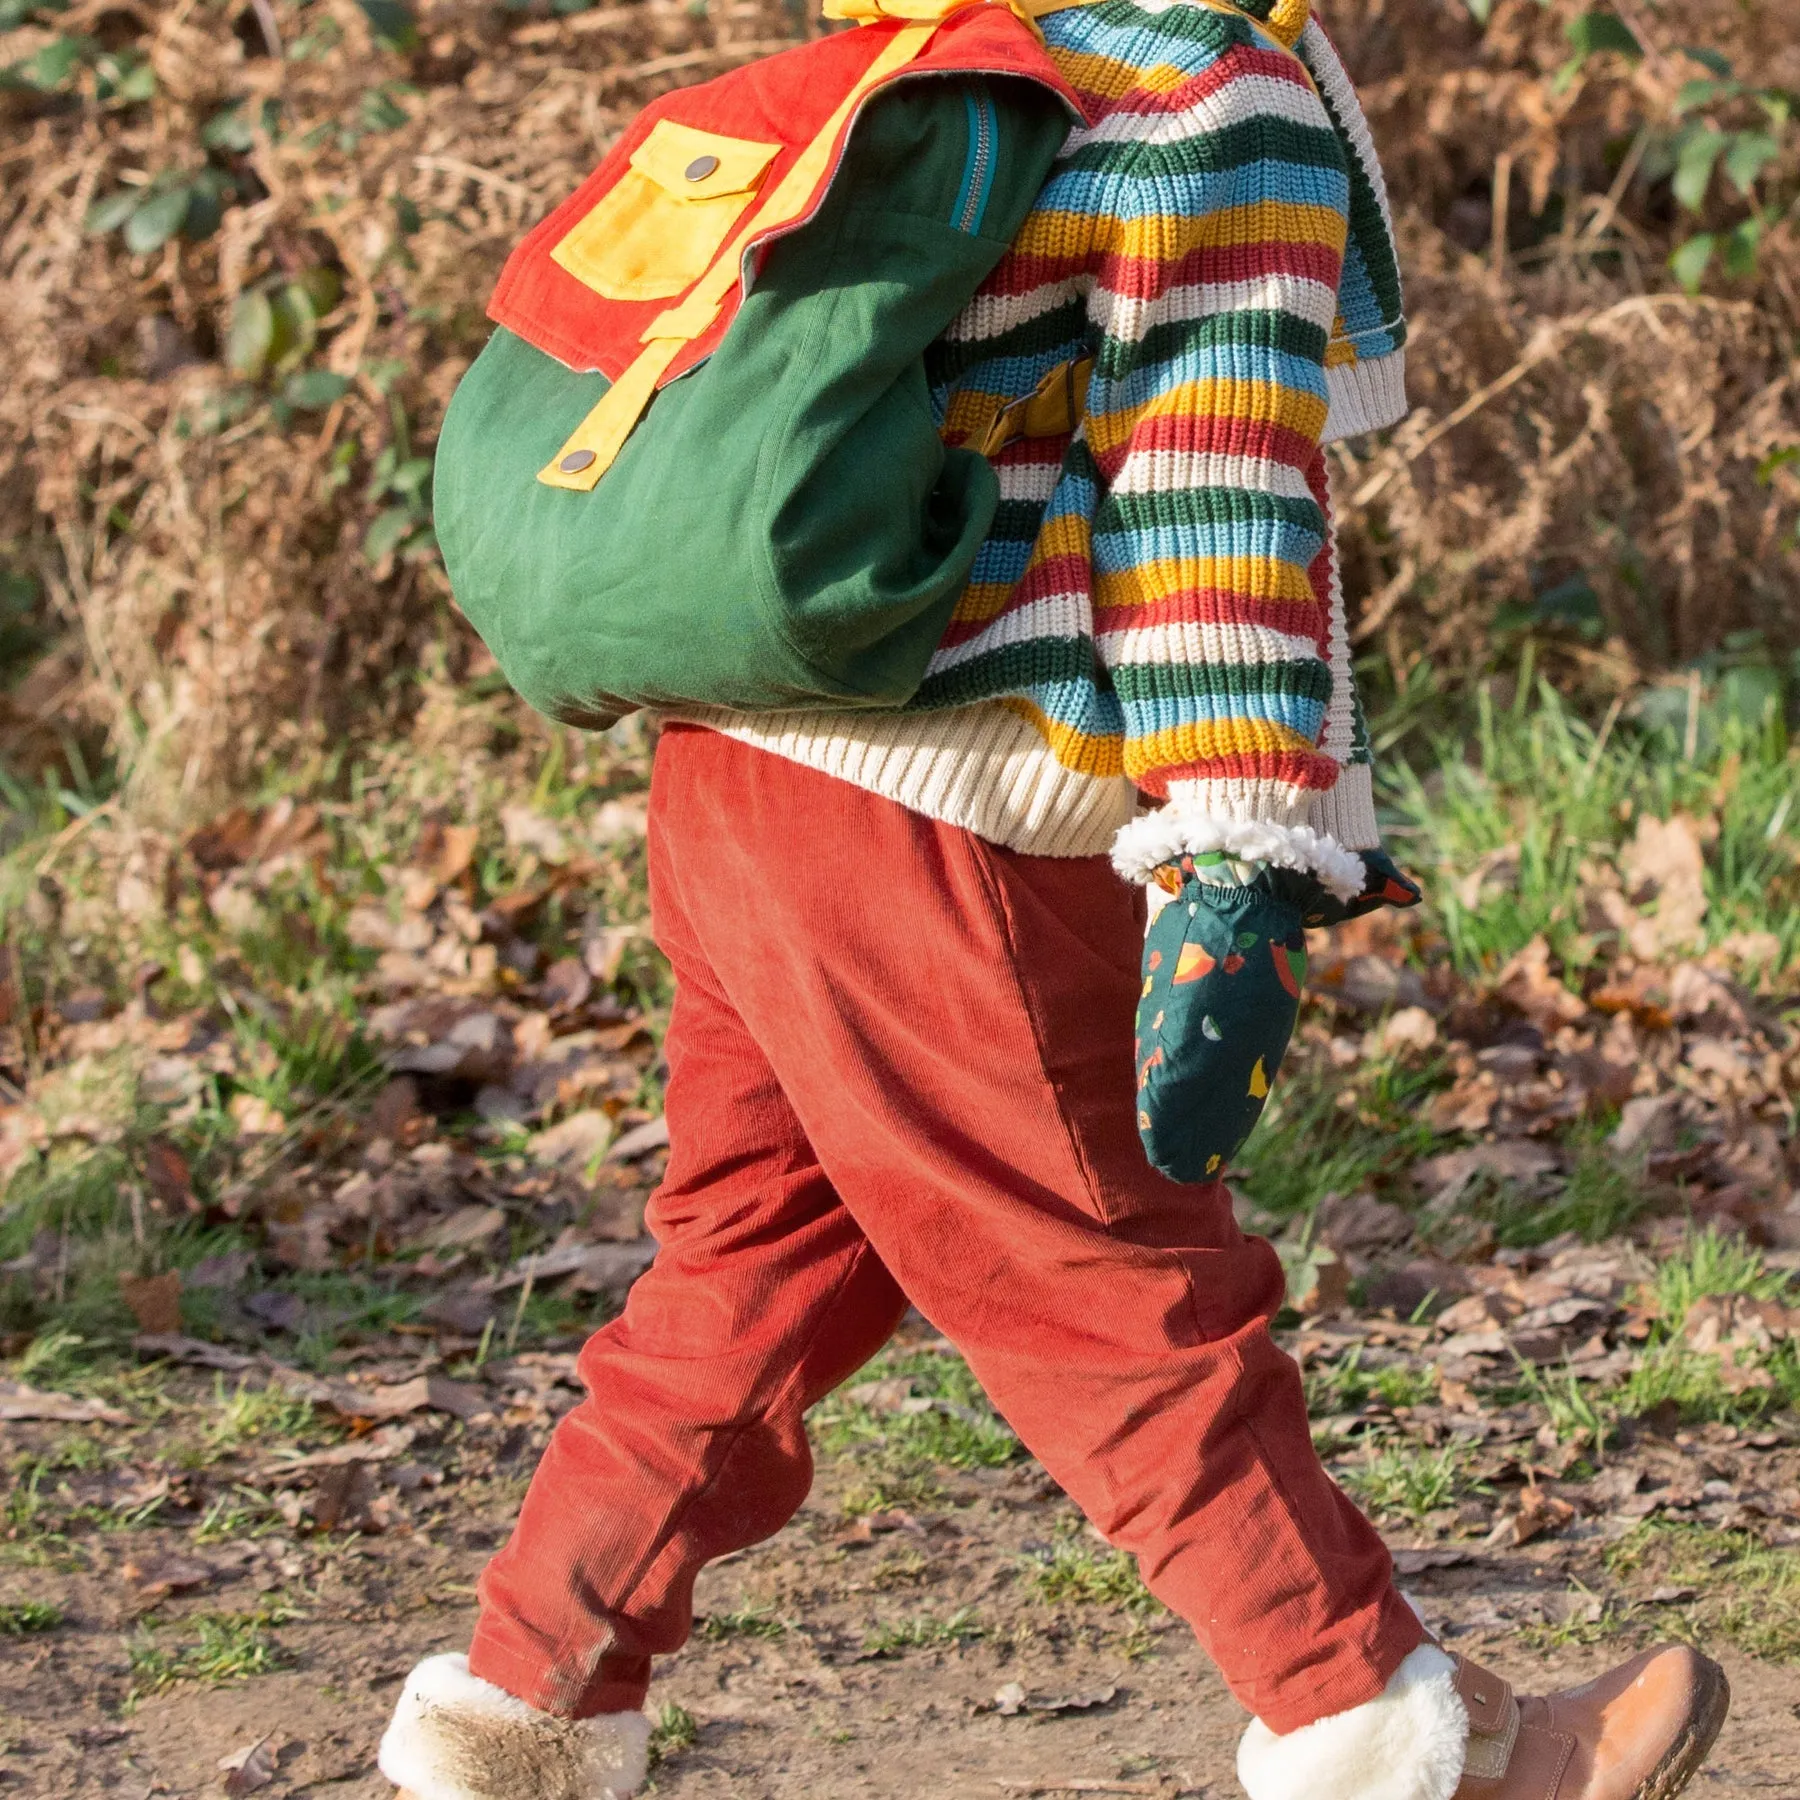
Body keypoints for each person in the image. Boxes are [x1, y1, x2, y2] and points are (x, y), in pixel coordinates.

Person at [378, 0, 1729, 1795]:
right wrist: (1239, 844)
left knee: (748, 1280)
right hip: (952, 821)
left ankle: (523, 1710)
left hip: (743, 780)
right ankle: (1377, 1728)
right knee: (1124, 1280)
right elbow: (1203, 479)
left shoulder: (943, 32)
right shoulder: (1200, 80)